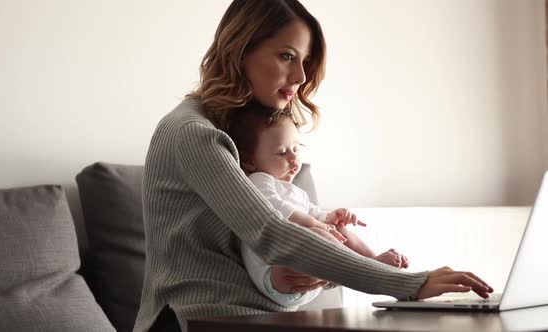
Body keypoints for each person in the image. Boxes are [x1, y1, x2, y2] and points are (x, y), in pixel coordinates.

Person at [133, 1, 493, 331]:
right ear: (239, 51)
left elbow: (287, 249)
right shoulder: (193, 134)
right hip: (196, 320)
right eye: (287, 56)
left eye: (305, 62)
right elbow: (271, 233)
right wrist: (409, 283)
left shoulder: (251, 142)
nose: (301, 77)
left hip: (261, 317)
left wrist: (320, 273)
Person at [227, 104, 409, 307]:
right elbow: (273, 209)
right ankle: (364, 270)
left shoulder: (296, 192)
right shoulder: (259, 180)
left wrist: (331, 218)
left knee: (336, 228)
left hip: (309, 279)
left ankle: (373, 262)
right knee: (316, 231)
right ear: (250, 161)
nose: (294, 157)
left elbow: (314, 214)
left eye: (296, 149)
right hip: (275, 275)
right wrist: (316, 224)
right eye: (282, 152)